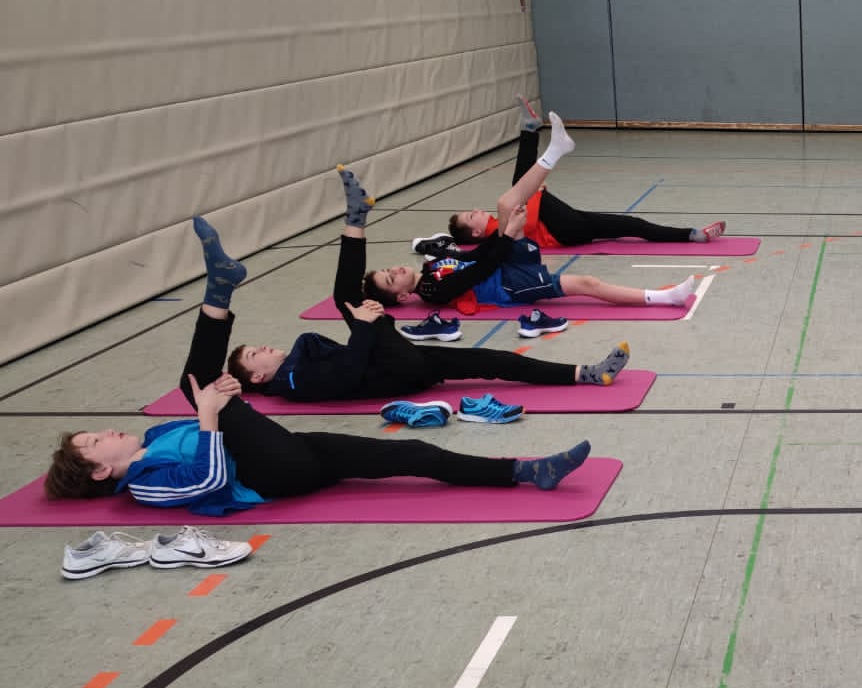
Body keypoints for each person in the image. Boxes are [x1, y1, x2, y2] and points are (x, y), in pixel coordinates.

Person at [43, 218, 592, 515]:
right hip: (268, 474)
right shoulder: (144, 484)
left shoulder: (157, 435)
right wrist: (212, 413)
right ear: (99, 472)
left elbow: (228, 419)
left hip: (291, 448)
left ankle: (525, 472)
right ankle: (218, 293)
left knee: (414, 455)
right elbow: (209, 478)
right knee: (194, 386)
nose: (105, 433)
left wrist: (222, 404)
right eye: (94, 443)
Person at [225, 169, 631, 405]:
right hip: (394, 369)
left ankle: (586, 374)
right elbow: (348, 373)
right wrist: (364, 326)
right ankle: (355, 220)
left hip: (401, 358)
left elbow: (476, 262)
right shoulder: (292, 382)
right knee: (345, 300)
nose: (265, 348)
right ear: (258, 378)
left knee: (497, 360)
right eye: (256, 355)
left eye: (257, 346)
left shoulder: (295, 365)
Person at [362, 114, 700, 314]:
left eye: (388, 270)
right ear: (403, 296)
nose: (395, 270)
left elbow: (475, 255)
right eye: (391, 279)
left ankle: (555, 150)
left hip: (504, 264)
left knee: (506, 205)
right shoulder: (431, 292)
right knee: (587, 284)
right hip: (511, 285)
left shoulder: (430, 268)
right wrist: (509, 235)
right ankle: (665, 297)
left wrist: (506, 232)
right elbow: (479, 271)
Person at [444, 98, 725, 248]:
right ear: (477, 231)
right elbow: (525, 226)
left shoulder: (497, 221)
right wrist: (535, 195)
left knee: (632, 225)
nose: (476, 210)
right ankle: (534, 134)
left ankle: (694, 234)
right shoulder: (496, 235)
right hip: (561, 231)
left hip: (566, 223)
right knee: (518, 189)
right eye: (471, 216)